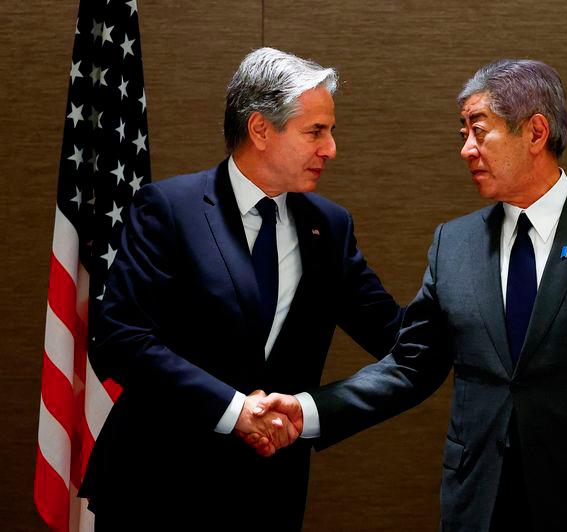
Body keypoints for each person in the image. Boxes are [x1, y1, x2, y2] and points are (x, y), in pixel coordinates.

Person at [256, 60, 567, 531]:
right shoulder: (453, 244)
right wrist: (307, 409)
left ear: (536, 132)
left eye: (479, 131)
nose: (466, 149)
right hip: (477, 505)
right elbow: (410, 364)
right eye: (463, 132)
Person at [77, 47, 403, 530]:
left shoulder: (329, 228)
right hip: (156, 489)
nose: (331, 148)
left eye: (329, 131)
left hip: (267, 494)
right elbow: (121, 339)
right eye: (316, 131)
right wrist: (235, 410)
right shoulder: (169, 209)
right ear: (260, 130)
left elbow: (396, 333)